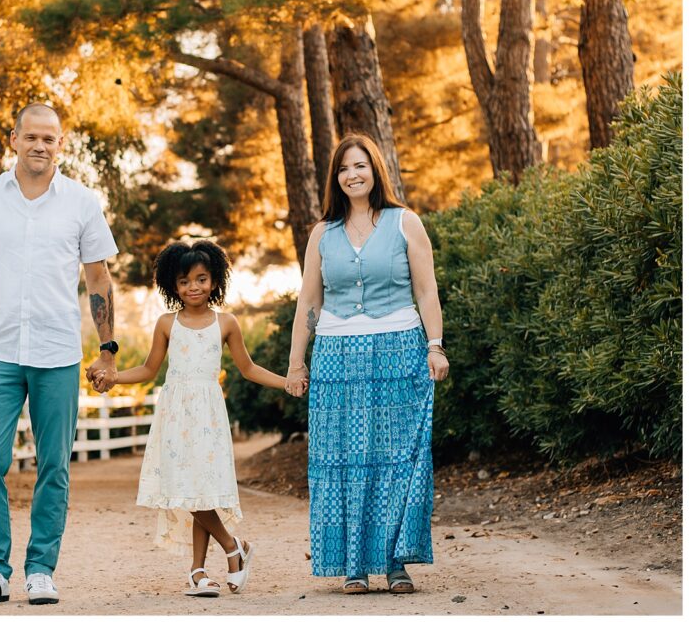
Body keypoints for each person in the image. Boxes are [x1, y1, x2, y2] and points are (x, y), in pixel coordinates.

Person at [0, 103, 120, 606]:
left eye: (50, 138)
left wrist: (107, 347)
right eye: (32, 137)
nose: (40, 146)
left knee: (54, 465)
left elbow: (98, 278)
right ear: (14, 140)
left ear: (61, 144)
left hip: (57, 350)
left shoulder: (82, 202)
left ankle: (41, 568)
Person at [284, 133, 449, 594]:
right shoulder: (323, 233)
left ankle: (394, 561)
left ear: (375, 170)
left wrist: (435, 345)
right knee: (342, 460)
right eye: (343, 169)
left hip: (399, 348)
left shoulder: (404, 223)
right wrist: (297, 364)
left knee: (397, 460)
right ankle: (353, 563)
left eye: (360, 166)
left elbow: (427, 290)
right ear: (335, 179)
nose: (352, 175)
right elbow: (308, 305)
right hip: (337, 357)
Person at [93, 240, 286, 597]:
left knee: (201, 492)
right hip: (175, 415)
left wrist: (286, 381)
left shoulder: (226, 323)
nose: (193, 287)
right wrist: (115, 377)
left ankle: (202, 569)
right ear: (173, 285)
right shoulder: (167, 324)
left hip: (209, 414)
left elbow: (248, 368)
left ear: (214, 281)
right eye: (184, 281)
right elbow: (150, 369)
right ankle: (230, 550)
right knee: (189, 491)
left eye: (201, 279)